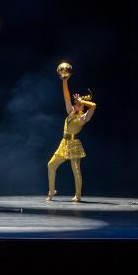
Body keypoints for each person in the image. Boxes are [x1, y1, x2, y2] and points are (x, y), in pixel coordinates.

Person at [46, 71, 96, 203]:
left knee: (76, 170)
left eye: (78, 103)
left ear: (82, 106)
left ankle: (78, 195)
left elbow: (94, 106)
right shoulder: (70, 112)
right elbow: (66, 97)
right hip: (64, 143)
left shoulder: (82, 117)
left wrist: (82, 100)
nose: (75, 103)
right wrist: (64, 81)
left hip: (74, 144)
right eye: (75, 102)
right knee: (51, 165)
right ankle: (52, 191)